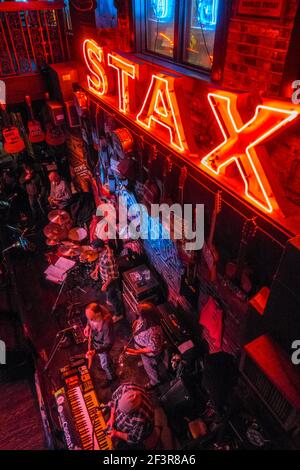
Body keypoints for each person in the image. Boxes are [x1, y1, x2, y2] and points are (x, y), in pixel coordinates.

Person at [125, 303, 168, 390]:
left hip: (149, 354)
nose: (138, 316)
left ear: (146, 316)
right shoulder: (144, 319)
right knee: (145, 360)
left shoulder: (154, 332)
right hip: (142, 349)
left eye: (140, 315)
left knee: (149, 367)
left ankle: (155, 382)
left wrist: (136, 352)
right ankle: (144, 361)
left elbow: (153, 348)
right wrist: (135, 323)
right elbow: (139, 321)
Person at [105, 382, 154, 449]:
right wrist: (112, 417)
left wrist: (116, 433)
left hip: (137, 432)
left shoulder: (141, 419)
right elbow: (113, 402)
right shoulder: (125, 388)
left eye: (123, 412)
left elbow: (134, 438)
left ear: (132, 413)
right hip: (122, 424)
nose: (118, 411)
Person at [90, 239, 124, 323]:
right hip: (105, 277)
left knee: (113, 297)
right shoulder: (103, 249)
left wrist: (105, 285)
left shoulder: (108, 258)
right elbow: (99, 262)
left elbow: (112, 276)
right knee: (109, 294)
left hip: (111, 281)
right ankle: (109, 299)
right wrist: (95, 271)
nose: (92, 250)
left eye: (94, 248)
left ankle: (118, 314)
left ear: (99, 248)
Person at [84, 302, 115, 387]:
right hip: (97, 344)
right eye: (89, 318)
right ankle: (110, 364)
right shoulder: (93, 315)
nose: (90, 320)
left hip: (102, 348)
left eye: (92, 318)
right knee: (105, 361)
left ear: (98, 314)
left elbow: (108, 345)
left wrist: (95, 351)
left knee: (105, 364)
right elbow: (89, 319)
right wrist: (87, 326)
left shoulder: (107, 325)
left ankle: (111, 378)